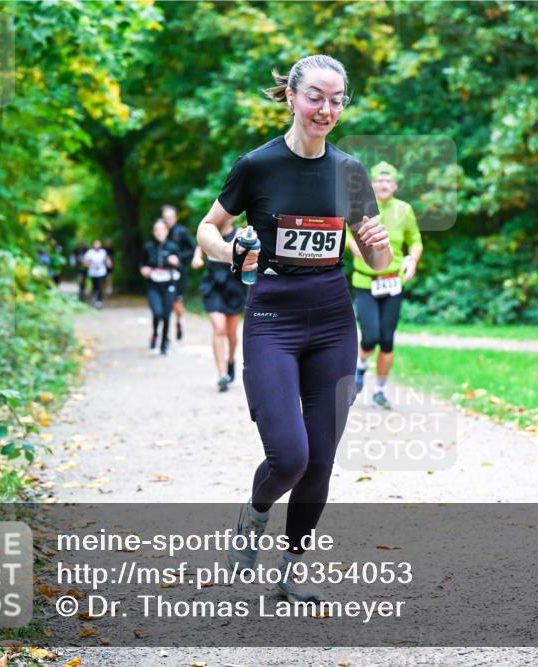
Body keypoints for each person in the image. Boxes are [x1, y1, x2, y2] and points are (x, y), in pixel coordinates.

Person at [195, 55, 391, 604]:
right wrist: (232, 250)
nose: (326, 109)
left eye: (336, 100)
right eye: (316, 97)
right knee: (290, 455)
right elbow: (208, 230)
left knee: (322, 460)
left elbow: (379, 262)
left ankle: (292, 567)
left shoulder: (349, 172)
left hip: (332, 318)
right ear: (292, 97)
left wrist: (377, 244)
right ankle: (255, 514)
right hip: (273, 318)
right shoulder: (257, 166)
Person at [347, 161, 423, 409]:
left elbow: (415, 241)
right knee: (370, 336)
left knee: (387, 340)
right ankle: (360, 366)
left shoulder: (405, 209)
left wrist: (412, 260)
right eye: (378, 180)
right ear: (371, 184)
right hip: (365, 282)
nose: (383, 184)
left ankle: (379, 390)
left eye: (388, 180)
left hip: (392, 283)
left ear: (395, 185)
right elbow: (347, 235)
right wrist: (355, 247)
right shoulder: (360, 206)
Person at [192, 228, 246, 392]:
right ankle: (222, 374)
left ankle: (230, 360)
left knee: (231, 334)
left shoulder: (239, 232)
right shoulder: (210, 231)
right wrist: (196, 258)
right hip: (214, 285)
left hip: (234, 286)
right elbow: (200, 245)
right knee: (219, 328)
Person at [140, 219, 182, 355]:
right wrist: (143, 269)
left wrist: (176, 262)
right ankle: (154, 334)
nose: (159, 233)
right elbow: (142, 264)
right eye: (156, 230)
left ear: (167, 231)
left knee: (166, 315)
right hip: (154, 286)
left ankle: (165, 342)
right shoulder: (148, 247)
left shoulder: (173, 247)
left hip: (169, 285)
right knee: (157, 313)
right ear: (153, 232)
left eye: (162, 229)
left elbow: (181, 267)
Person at [162, 205, 196, 340]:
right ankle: (165, 332)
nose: (168, 221)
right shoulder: (160, 231)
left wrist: (178, 258)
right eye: (165, 218)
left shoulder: (181, 232)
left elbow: (193, 249)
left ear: (175, 218)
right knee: (164, 302)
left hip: (179, 272)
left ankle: (179, 321)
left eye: (170, 218)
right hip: (162, 274)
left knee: (176, 301)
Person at [81, 240, 111, 309]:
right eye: (96, 244)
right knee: (95, 286)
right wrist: (90, 264)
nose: (97, 246)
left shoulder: (103, 252)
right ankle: (94, 297)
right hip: (93, 273)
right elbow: (84, 262)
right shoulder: (90, 252)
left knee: (100, 286)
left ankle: (99, 301)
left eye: (98, 244)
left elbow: (107, 260)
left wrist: (109, 263)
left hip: (101, 272)